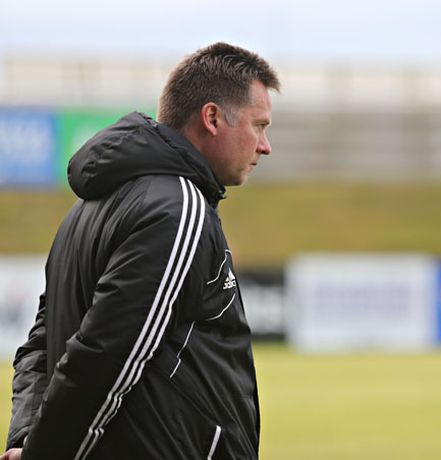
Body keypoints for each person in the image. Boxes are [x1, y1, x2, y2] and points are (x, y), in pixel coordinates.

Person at [2, 42, 279, 460]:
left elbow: (42, 344)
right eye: (258, 126)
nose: (265, 145)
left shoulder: (85, 210)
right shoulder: (179, 208)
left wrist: (27, 438)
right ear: (212, 118)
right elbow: (108, 356)